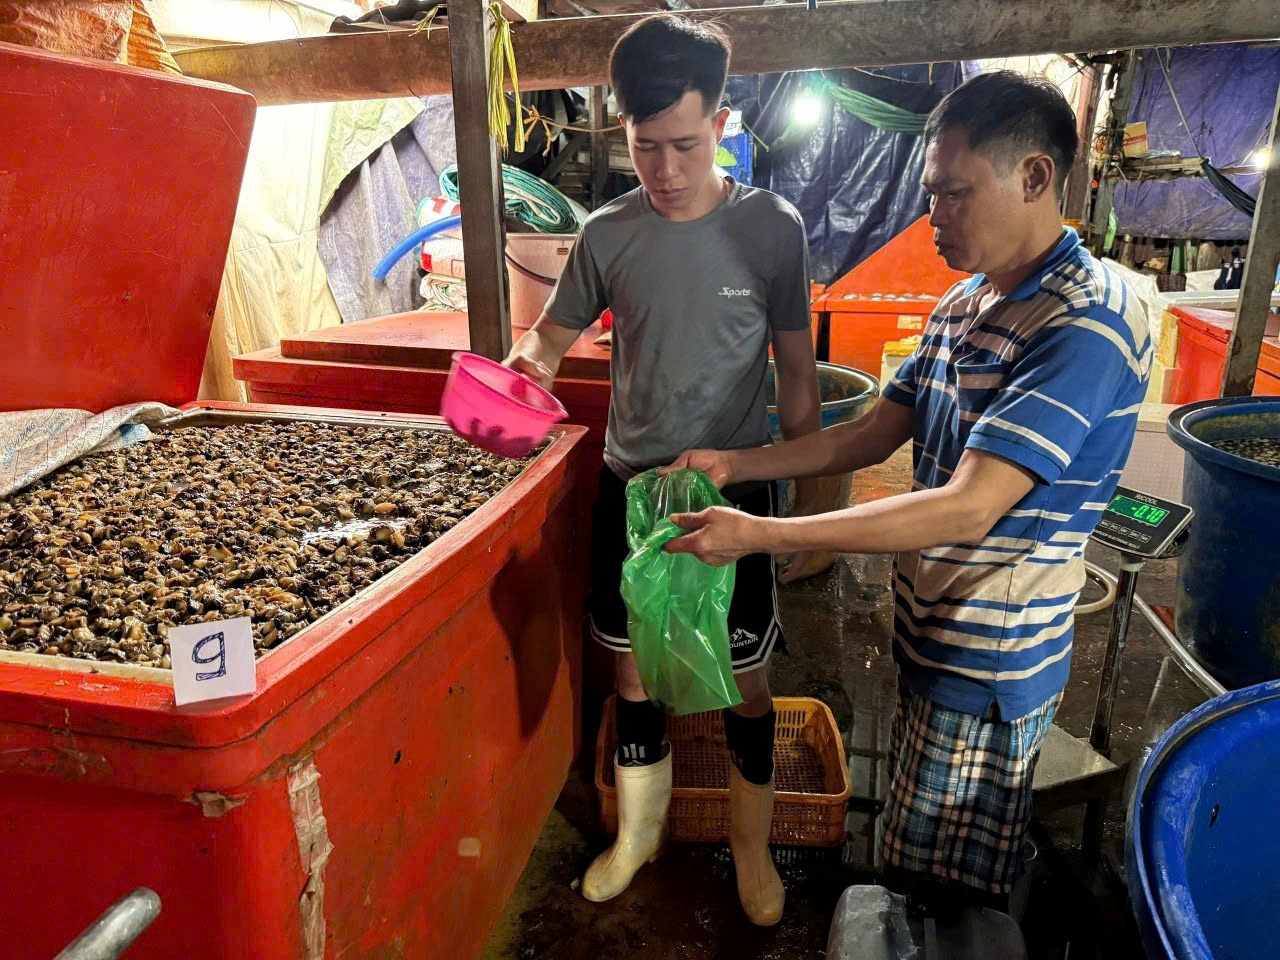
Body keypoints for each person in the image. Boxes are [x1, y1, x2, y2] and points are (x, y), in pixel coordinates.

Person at [663, 70, 1151, 905]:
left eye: (955, 195)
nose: (934, 218)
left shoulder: (1087, 321)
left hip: (992, 659)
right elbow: (870, 433)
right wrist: (736, 466)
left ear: (1034, 177)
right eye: (932, 194)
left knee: (940, 885)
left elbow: (968, 504)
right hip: (932, 628)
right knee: (914, 847)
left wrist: (763, 535)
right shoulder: (966, 304)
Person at [502, 15, 821, 925]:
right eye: (646, 149)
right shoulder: (608, 233)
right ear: (622, 130)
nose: (668, 171)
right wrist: (525, 371)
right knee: (635, 673)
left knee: (745, 679)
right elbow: (548, 340)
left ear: (723, 120)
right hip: (633, 490)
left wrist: (796, 505)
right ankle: (639, 835)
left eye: (685, 144)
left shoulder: (771, 229)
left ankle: (752, 847)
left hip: (734, 496)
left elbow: (797, 375)